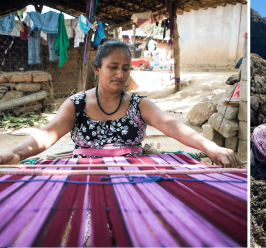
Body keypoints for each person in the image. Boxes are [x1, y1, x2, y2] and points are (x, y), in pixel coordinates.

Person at [0, 38, 243, 168]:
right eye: (113, 67)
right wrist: (13, 153)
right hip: (83, 177)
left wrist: (211, 148)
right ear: (97, 69)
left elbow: (171, 126)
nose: (120, 74)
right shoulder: (76, 104)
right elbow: (46, 135)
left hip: (135, 174)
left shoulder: (139, 104)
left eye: (125, 68)